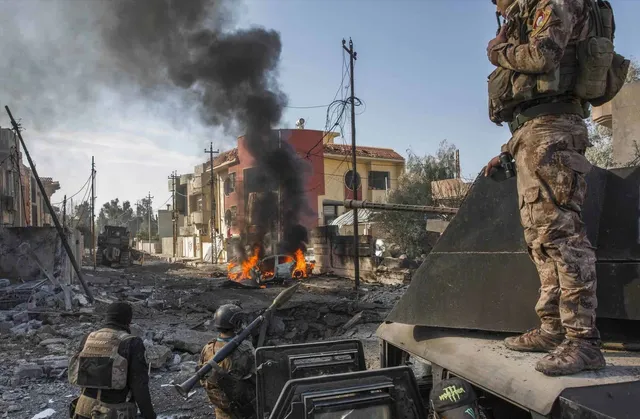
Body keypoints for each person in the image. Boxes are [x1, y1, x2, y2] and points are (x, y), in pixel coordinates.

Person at [484, 0, 607, 376]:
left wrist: (498, 51)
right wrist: (511, 148)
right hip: (535, 132)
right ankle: (554, 328)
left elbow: (543, 56)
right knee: (540, 239)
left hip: (553, 130)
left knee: (562, 237)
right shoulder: (527, 11)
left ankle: (583, 342)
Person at [68, 302, 156, 419]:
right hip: (113, 413)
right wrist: (149, 415)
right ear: (128, 320)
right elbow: (139, 385)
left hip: (83, 410)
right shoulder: (132, 343)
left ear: (107, 317)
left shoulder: (88, 338)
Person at [198, 304, 256, 419]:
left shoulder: (208, 348)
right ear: (237, 323)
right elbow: (256, 379)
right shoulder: (245, 351)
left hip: (220, 406)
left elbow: (202, 377)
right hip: (243, 409)